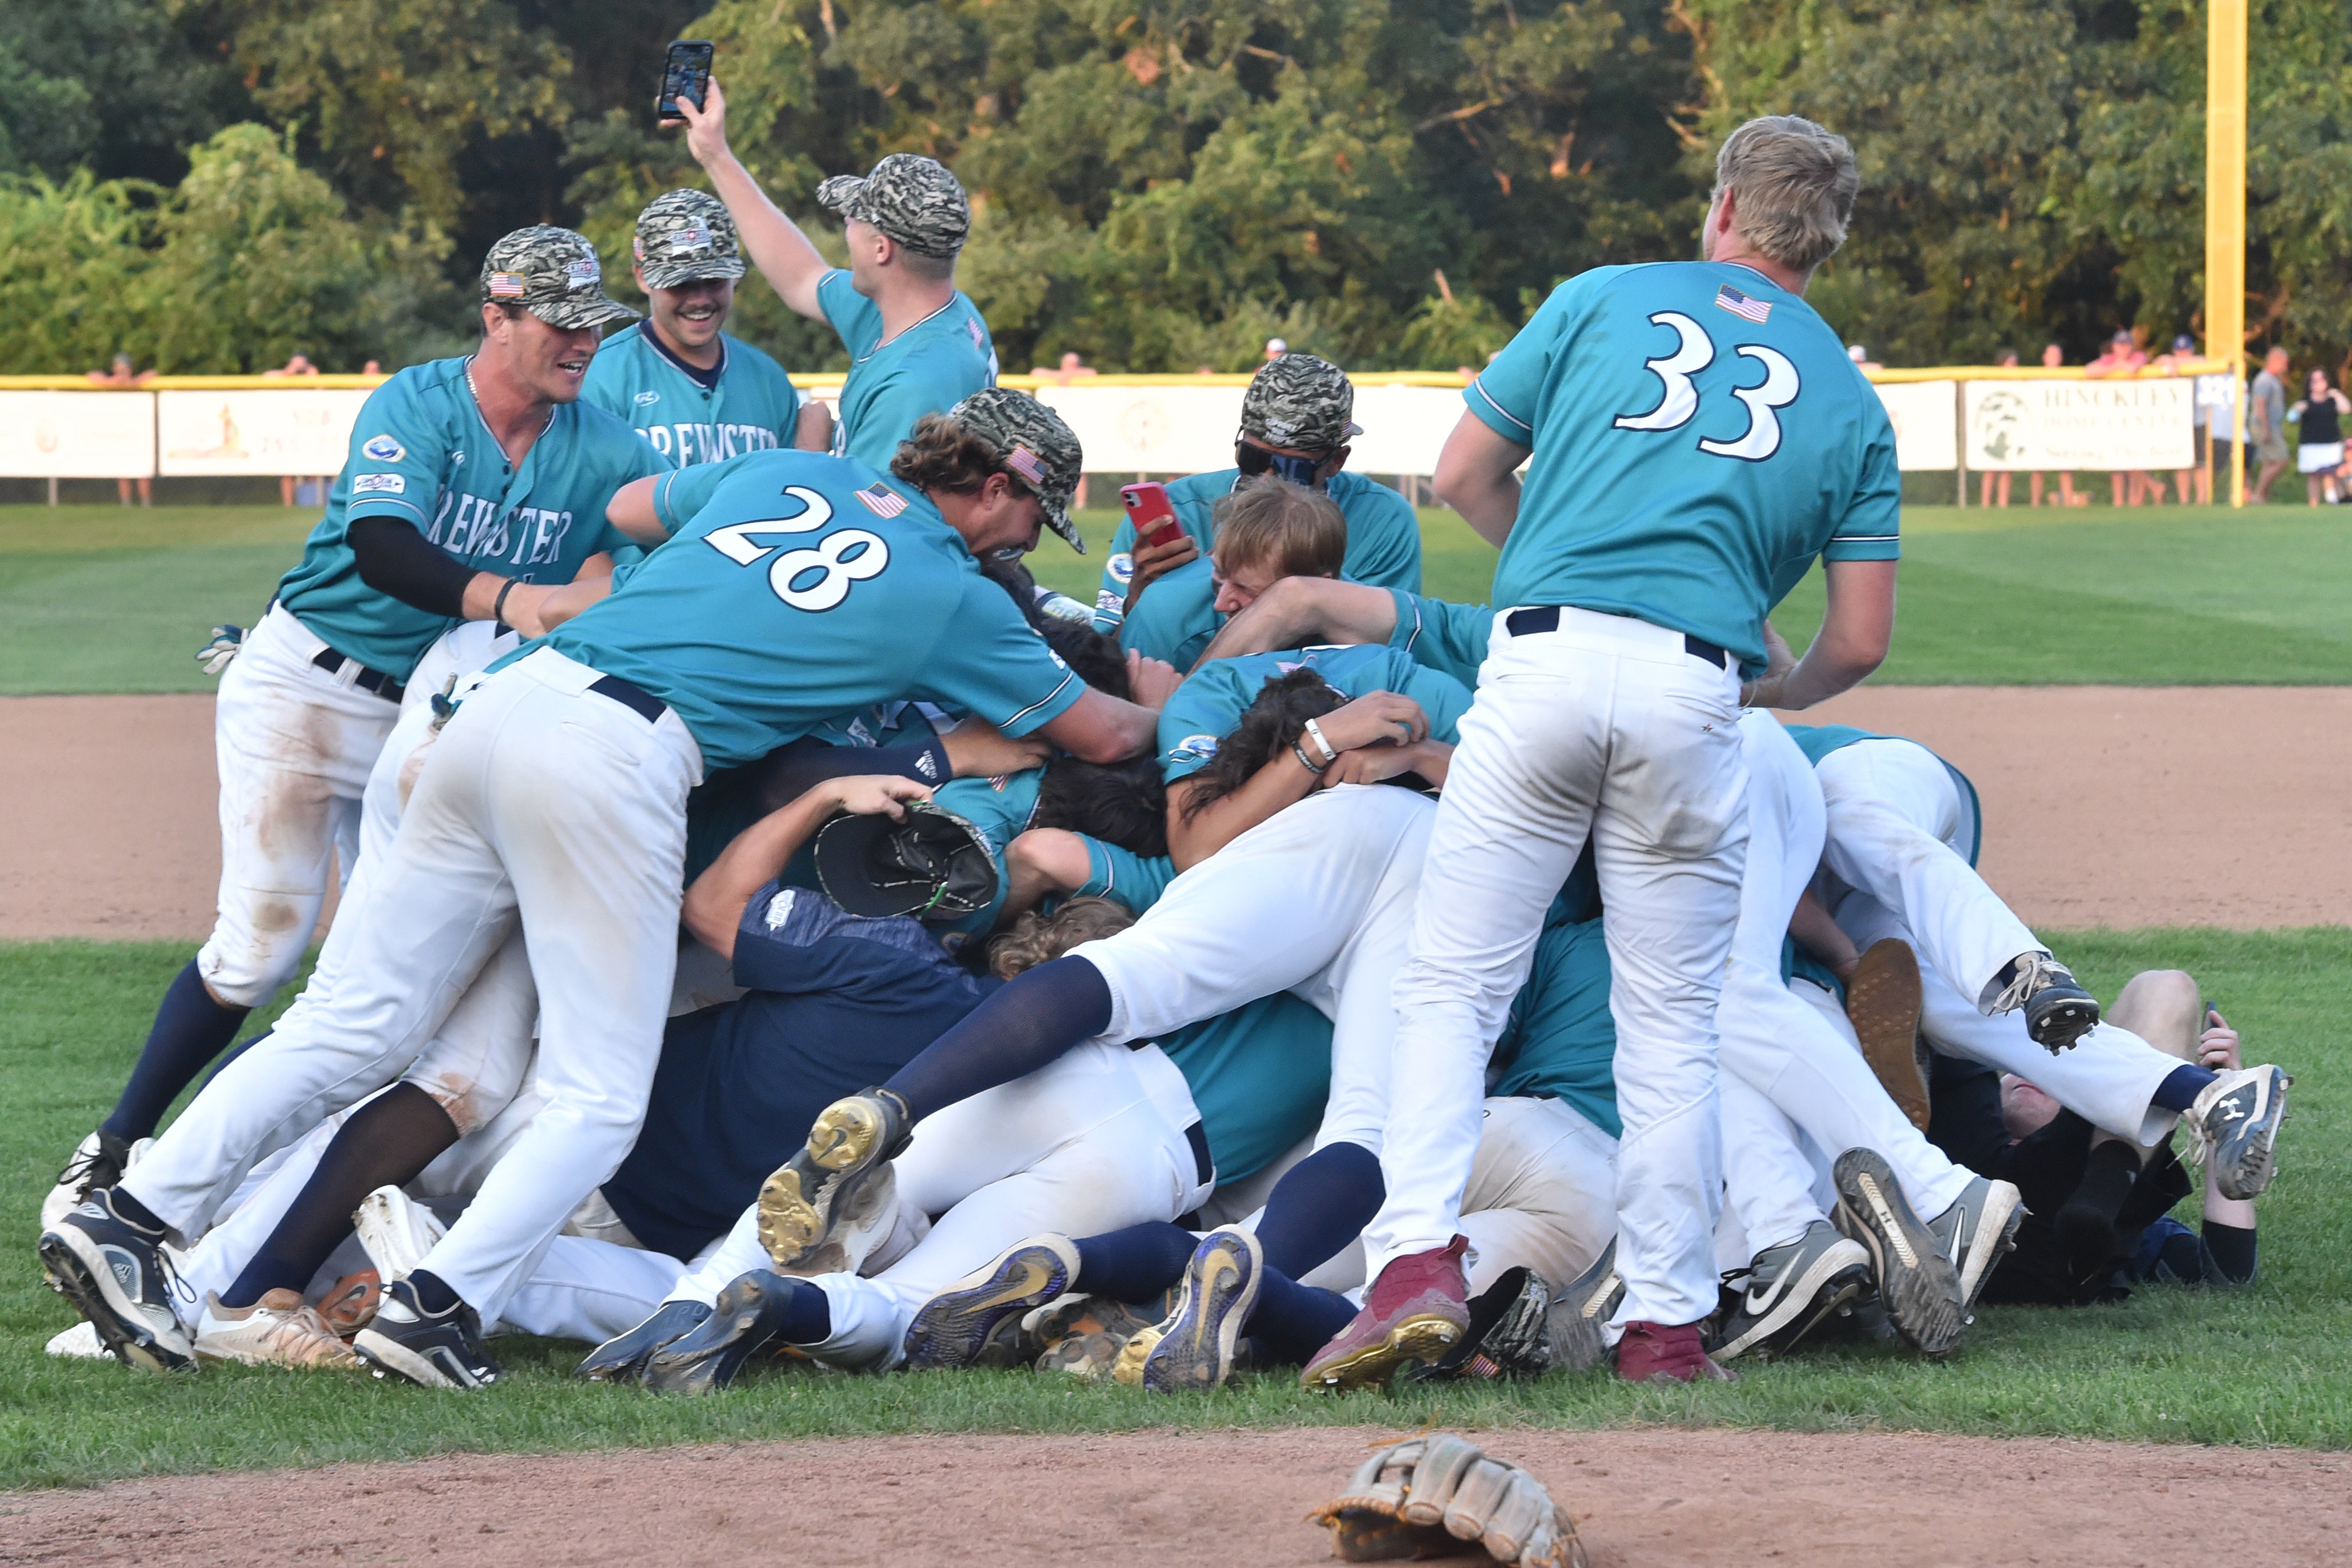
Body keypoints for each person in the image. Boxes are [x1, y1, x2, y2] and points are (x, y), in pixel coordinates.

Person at [42, 391, 1162, 1385]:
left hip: (495, 704)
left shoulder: (794, 471)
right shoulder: (952, 596)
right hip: (618, 757)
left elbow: (631, 511)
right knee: (598, 1098)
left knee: (355, 1025)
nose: (1028, 541)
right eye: (1033, 514)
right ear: (996, 485)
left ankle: (138, 1215)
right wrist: (1192, 699)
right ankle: (440, 1307)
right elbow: (1107, 731)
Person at [1309, 113, 1907, 1391]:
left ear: (1726, 209)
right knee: (1673, 1026)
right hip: (1700, 691)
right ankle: (1667, 1326)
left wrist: (1548, 559)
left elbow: (1464, 470)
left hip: (1545, 658)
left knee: (1454, 985)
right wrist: (1773, 679)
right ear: (1829, 240)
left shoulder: (1601, 298)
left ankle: (1416, 1259)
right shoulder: (1853, 400)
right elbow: (1859, 641)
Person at [38, 227, 669, 1244]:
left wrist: (581, 588)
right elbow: (383, 549)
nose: (583, 343)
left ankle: (257, 1188)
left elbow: (620, 565)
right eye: (561, 322)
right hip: (307, 682)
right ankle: (118, 1149)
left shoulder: (606, 447)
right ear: (496, 316)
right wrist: (517, 597)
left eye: (594, 325)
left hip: (431, 717)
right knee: (258, 950)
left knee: (372, 987)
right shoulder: (417, 403)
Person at [675, 80, 995, 470]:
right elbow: (801, 277)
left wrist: (809, 451)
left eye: (856, 217)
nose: (847, 220)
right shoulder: (926, 308)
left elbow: (868, 521)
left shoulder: (914, 386)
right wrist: (716, 156)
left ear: (882, 249)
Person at [1929, 976, 2272, 1306]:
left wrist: (2223, 1106)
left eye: (2058, 1075)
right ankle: (2115, 1168)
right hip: (1952, 1181)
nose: (2033, 1074)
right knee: (1934, 983)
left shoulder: (2118, 1220)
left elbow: (2228, 1275)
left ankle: (2116, 1168)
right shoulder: (1953, 1119)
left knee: (2169, 988)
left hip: (2070, 1237)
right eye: (2024, 1064)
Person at [1094, 354, 1423, 633]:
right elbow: (1105, 664)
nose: (1265, 481)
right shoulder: (1174, 511)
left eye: (1290, 470)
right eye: (1254, 460)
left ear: (1336, 461)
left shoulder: (1382, 520)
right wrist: (1137, 605)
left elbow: (1381, 650)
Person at [581, 190, 825, 463]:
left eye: (714, 281)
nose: (700, 300)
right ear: (643, 277)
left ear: (734, 278)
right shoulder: (602, 376)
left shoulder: (768, 380)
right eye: (681, 284)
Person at [1114, 478, 1347, 670]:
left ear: (1317, 587)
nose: (1221, 603)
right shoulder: (1162, 619)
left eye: (1245, 589)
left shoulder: (1369, 623)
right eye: (1218, 572)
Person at [2085, 329, 2158, 505]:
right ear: (2114, 347)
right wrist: (2116, 367)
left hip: (2136, 417)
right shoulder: (2110, 360)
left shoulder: (2138, 357)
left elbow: (2134, 369)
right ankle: (2120, 501)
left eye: (2126, 345)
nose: (2123, 349)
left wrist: (2117, 367)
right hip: (2116, 417)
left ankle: (2139, 499)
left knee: (2136, 458)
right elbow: (2090, 371)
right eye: (2120, 345)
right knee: (2116, 460)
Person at [87, 352, 156, 505]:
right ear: (114, 369)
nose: (122, 374)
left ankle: (146, 503)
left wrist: (134, 383)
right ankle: (126, 503)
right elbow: (92, 376)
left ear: (131, 369)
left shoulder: (138, 383)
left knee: (143, 469)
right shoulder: (110, 384)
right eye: (119, 369)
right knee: (123, 468)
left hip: (139, 430)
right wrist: (111, 382)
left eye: (125, 369)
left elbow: (153, 374)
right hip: (118, 430)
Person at [2030, 343, 2084, 508]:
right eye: (2051, 355)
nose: (2054, 358)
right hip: (2041, 426)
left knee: (2065, 465)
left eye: (2057, 355)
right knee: (2038, 466)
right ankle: (2035, 504)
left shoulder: (2067, 378)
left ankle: (2068, 502)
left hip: (2061, 427)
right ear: (2044, 358)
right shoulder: (2035, 379)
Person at [2286, 368, 2347, 505]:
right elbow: (2291, 418)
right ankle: (2314, 504)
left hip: (2331, 445)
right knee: (2313, 476)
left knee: (2330, 473)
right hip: (2311, 445)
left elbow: (2346, 409)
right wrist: (2298, 410)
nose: (2319, 383)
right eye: (2315, 381)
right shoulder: (2305, 403)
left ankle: (2333, 500)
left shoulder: (2332, 401)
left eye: (2322, 379)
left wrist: (2337, 394)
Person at [2248, 347, 2292, 502]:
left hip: (2273, 427)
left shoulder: (2273, 380)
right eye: (2285, 363)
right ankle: (2258, 494)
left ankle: (2262, 497)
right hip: (2265, 426)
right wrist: (2266, 429)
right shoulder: (2265, 380)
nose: (2286, 367)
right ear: (2275, 361)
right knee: (2282, 460)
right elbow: (2260, 404)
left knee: (2270, 462)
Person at [1977, 350, 2017, 507]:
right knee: (1991, 466)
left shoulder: (2018, 384)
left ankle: (2003, 504)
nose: (2016, 367)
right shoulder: (1991, 383)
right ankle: (1985, 504)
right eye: (2012, 364)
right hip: (1994, 429)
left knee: (2007, 467)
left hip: (2009, 430)